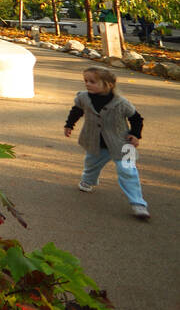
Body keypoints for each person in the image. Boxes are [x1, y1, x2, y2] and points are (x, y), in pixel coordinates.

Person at [63, 66, 149, 220]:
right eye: (86, 81)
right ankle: (87, 181)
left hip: (123, 143)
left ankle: (138, 203)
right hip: (95, 142)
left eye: (92, 81)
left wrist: (135, 135)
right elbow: (76, 111)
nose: (88, 84)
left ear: (108, 84)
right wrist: (69, 125)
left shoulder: (121, 103)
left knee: (128, 171)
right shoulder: (83, 98)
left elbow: (136, 119)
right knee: (91, 164)